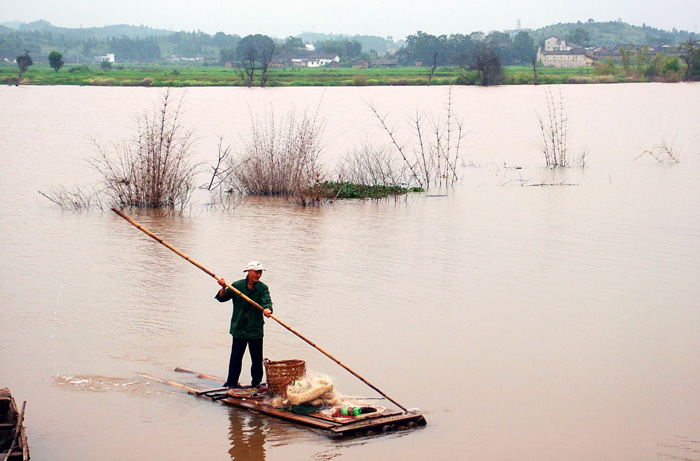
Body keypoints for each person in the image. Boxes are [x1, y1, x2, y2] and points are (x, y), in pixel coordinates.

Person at [215, 260, 273, 391]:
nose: (258, 275)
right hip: (239, 328)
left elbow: (267, 301)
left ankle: (256, 383)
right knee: (236, 357)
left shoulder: (262, 288)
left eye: (260, 273)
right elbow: (222, 298)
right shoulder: (237, 286)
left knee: (257, 360)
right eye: (256, 272)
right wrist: (223, 287)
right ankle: (232, 383)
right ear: (249, 272)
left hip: (255, 329)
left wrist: (267, 309)